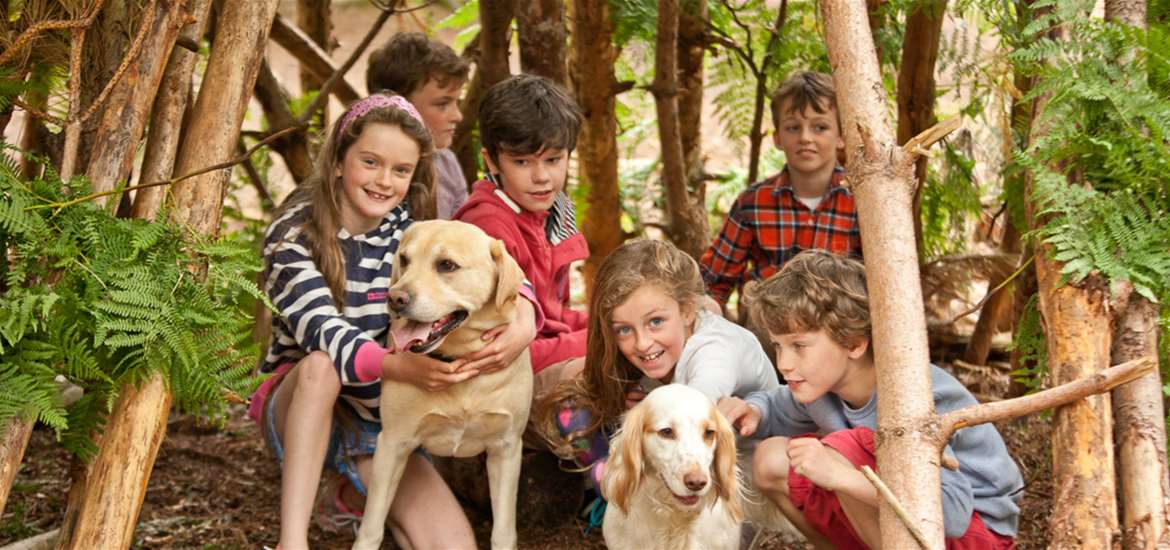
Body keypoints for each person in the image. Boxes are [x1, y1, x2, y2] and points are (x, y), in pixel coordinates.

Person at [247, 94, 535, 550]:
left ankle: (349, 495)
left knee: (454, 545)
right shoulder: (292, 234)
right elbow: (324, 331)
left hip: (375, 419)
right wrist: (399, 368)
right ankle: (292, 540)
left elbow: (474, 259)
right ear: (339, 160)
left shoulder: (407, 233)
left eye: (400, 171)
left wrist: (526, 320)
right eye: (371, 162)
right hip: (303, 403)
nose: (384, 181)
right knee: (322, 366)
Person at [718, 250, 1023, 549]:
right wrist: (755, 410)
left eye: (799, 346)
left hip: (977, 529)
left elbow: (952, 514)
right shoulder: (823, 387)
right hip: (904, 515)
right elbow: (779, 406)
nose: (783, 363)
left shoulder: (912, 396)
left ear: (853, 343)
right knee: (772, 459)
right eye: (778, 346)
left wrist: (843, 476)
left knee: (842, 449)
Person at [537, 239, 780, 488]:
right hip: (682, 460)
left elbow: (692, 412)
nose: (642, 343)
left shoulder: (715, 351)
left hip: (736, 479)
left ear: (687, 310)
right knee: (574, 398)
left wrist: (648, 408)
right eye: (623, 329)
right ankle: (604, 475)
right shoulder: (671, 336)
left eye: (655, 322)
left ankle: (615, 483)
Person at [453, 74, 588, 391]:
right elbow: (497, 349)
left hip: (545, 354)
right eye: (522, 161)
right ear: (492, 161)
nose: (542, 177)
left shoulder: (555, 209)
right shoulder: (486, 228)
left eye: (554, 160)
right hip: (503, 382)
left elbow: (554, 316)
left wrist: (613, 324)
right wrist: (604, 339)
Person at [699, 71, 862, 313]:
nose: (805, 138)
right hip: (770, 326)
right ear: (777, 138)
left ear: (840, 137)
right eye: (793, 128)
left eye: (820, 127)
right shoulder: (752, 204)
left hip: (838, 327)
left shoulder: (861, 202)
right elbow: (713, 282)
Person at [367, 32, 470, 219]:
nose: (458, 116)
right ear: (397, 107)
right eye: (442, 104)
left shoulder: (447, 163)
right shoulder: (366, 177)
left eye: (457, 102)